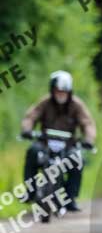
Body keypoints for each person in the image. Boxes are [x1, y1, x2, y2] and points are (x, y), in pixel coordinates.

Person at [20, 70, 97, 212]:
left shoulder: (76, 105)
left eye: (64, 91)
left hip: (68, 145)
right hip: (44, 143)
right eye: (58, 91)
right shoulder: (45, 103)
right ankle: (30, 191)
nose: (61, 94)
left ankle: (70, 198)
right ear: (52, 90)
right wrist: (27, 130)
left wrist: (89, 139)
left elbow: (88, 124)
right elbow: (31, 116)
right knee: (32, 152)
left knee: (77, 159)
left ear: (69, 92)